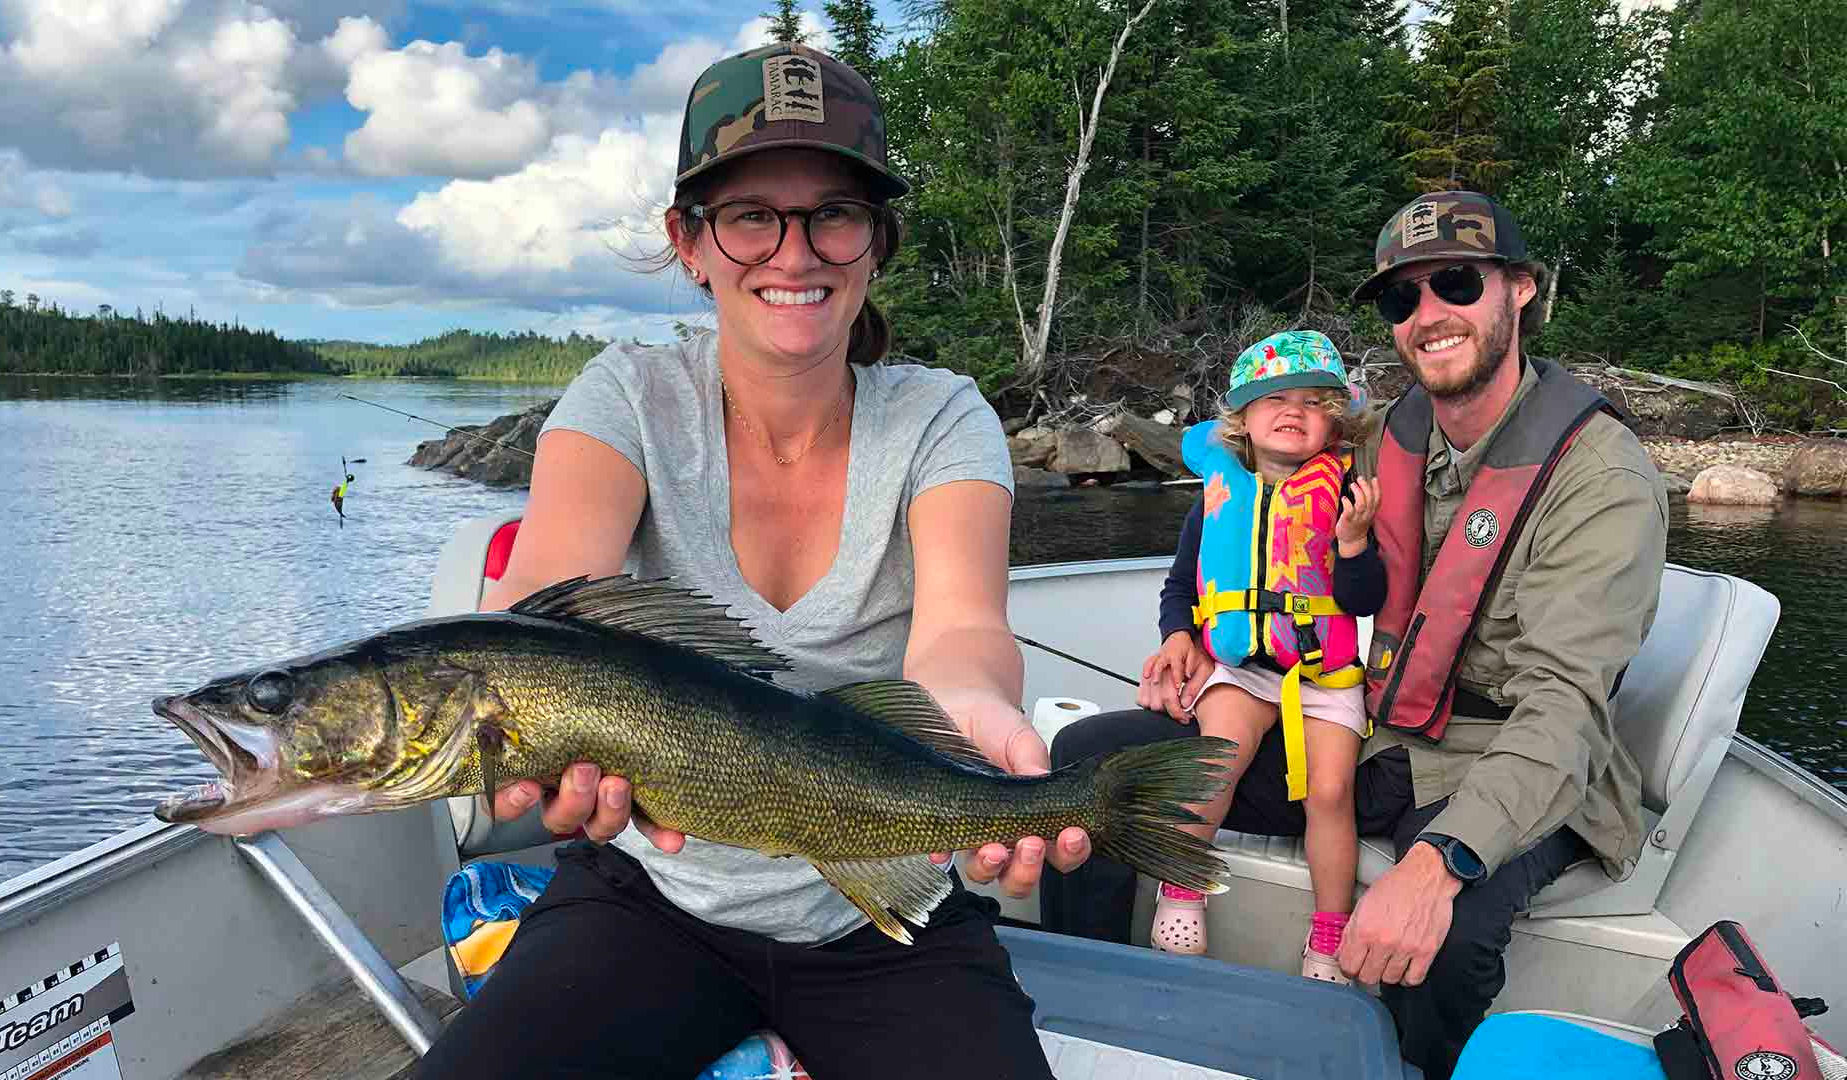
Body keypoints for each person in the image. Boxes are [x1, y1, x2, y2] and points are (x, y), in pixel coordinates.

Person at [415, 43, 1089, 1080]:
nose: (795, 252)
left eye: (833, 212)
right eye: (750, 215)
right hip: (653, 900)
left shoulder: (942, 416)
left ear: (875, 243)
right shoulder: (627, 398)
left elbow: (961, 633)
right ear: (689, 241)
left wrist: (978, 722)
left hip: (884, 901)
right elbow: (538, 624)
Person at [1041, 191, 1668, 1080]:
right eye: (1401, 298)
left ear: (1522, 290)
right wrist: (1186, 628)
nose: (1428, 314)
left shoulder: (1602, 477)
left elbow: (1564, 706)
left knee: (1444, 939)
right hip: (1374, 730)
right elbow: (1253, 490)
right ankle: (1101, 1022)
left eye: (1455, 282)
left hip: (1509, 758)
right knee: (1094, 767)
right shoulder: (1387, 438)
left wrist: (1441, 860)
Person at [1133, 330, 1385, 988]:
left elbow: (1364, 600)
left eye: (1312, 400)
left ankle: (1330, 931)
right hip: (1242, 667)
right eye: (1274, 397)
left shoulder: (1347, 498)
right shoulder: (1217, 497)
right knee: (1216, 761)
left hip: (1325, 672)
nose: (1292, 409)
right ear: (1242, 418)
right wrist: (1176, 634)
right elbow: (1182, 587)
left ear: (1339, 420)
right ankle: (1182, 888)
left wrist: (1354, 545)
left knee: (1331, 794)